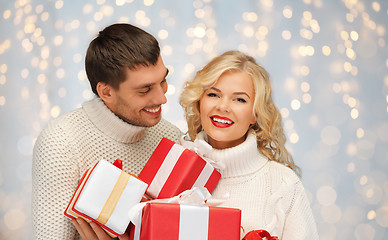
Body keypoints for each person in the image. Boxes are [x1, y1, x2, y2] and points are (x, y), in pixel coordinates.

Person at [32, 23, 183, 240]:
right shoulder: (61, 142)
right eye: (145, 90)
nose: (162, 98)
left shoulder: (170, 138)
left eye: (163, 80)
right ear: (106, 92)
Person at [179, 51, 319, 239]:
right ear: (199, 103)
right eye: (213, 94)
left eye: (239, 99)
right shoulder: (175, 168)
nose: (223, 106)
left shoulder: (282, 184)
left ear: (255, 114)